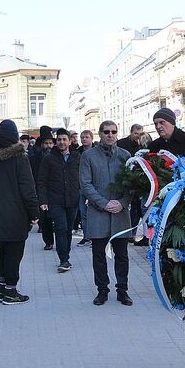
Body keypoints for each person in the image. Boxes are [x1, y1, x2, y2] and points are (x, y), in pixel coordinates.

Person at [0, 119, 40, 305]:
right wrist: (34, 212)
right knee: (14, 252)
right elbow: (27, 187)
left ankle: (0, 289)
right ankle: (11, 292)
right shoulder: (19, 157)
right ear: (14, 136)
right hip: (15, 213)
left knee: (2, 251)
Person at [80, 120, 133, 306]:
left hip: (120, 212)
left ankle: (122, 290)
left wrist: (122, 202)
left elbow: (132, 184)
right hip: (98, 212)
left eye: (113, 132)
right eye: (106, 132)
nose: (110, 135)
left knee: (122, 255)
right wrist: (104, 203)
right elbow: (86, 184)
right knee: (98, 255)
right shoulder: (88, 156)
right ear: (100, 134)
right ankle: (102, 290)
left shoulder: (125, 155)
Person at [37, 128, 81, 273]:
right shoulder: (49, 158)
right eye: (59, 140)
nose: (61, 142)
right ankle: (64, 259)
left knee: (68, 229)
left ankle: (66, 255)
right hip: (55, 200)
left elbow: (83, 178)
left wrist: (84, 196)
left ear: (69, 141)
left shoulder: (76, 157)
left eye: (64, 139)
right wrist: (43, 200)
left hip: (73, 199)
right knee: (61, 228)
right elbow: (42, 180)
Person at [30, 133, 56, 250]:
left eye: (50, 143)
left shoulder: (58, 157)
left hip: (56, 191)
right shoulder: (34, 159)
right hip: (41, 191)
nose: (48, 146)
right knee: (45, 219)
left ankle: (61, 243)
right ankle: (48, 241)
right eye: (46, 143)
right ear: (42, 145)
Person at [76, 130, 94, 247]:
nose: (84, 139)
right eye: (82, 137)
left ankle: (95, 237)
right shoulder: (77, 153)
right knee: (83, 213)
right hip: (81, 187)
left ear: (91, 138)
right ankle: (86, 236)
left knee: (94, 214)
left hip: (94, 187)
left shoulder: (97, 151)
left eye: (86, 137)